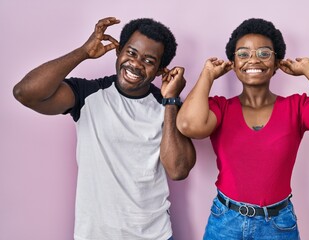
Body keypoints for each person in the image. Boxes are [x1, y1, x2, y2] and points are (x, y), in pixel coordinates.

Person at [13, 17, 196, 240]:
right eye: (130, 52)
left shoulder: (167, 106)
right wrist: (83, 52)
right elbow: (25, 93)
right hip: (95, 234)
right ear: (118, 52)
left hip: (154, 234)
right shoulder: (87, 94)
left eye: (148, 60)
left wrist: (171, 100)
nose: (136, 64)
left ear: (159, 71)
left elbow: (178, 170)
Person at [176, 18, 309, 239]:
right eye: (243, 54)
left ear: (276, 63)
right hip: (225, 221)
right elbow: (188, 125)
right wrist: (207, 75)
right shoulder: (220, 108)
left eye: (264, 53)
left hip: (278, 225)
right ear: (233, 64)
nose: (253, 59)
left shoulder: (297, 107)